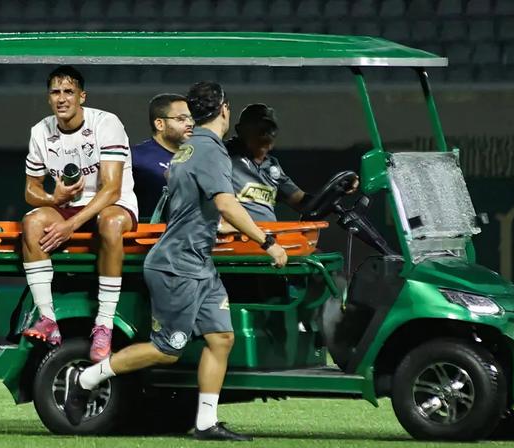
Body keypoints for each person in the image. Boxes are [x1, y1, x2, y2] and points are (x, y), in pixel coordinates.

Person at [63, 81, 288, 442]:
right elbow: (226, 203)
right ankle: (86, 378)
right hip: (178, 265)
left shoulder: (190, 149)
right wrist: (268, 241)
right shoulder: (209, 150)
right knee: (167, 350)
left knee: (221, 338)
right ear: (225, 109)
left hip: (198, 263)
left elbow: (194, 203)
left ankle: (205, 423)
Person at [21, 65, 138, 363]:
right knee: (32, 222)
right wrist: (52, 197)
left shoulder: (106, 124)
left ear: (82, 96)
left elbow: (111, 189)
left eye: (69, 92)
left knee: (109, 223)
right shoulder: (40, 131)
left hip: (113, 205)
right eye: (55, 92)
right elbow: (30, 190)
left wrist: (70, 224)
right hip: (68, 207)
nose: (62, 98)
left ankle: (104, 324)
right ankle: (47, 320)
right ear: (48, 98)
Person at [225, 103, 357, 222]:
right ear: (240, 130)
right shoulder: (222, 155)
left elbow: (302, 202)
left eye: (270, 129)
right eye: (259, 127)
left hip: (269, 240)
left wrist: (338, 190)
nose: (265, 133)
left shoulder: (271, 167)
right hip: (237, 242)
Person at [132, 93, 194, 219]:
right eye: (181, 119)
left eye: (192, 118)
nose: (190, 123)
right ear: (160, 124)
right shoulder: (135, 158)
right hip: (148, 235)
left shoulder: (200, 157)